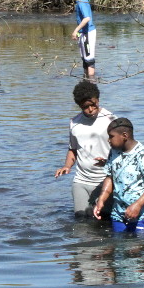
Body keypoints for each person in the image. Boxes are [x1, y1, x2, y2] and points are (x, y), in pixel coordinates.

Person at [54, 80, 116, 218]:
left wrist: (107, 161)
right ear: (79, 106)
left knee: (104, 222)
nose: (90, 109)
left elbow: (120, 151)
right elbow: (73, 149)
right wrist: (67, 166)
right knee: (81, 221)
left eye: (93, 105)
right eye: (85, 107)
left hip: (105, 181)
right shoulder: (74, 123)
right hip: (81, 181)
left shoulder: (111, 120)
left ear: (98, 100)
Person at [93, 118, 144, 233]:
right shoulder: (114, 152)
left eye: (111, 136)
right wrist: (102, 199)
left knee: (139, 247)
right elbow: (110, 177)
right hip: (119, 213)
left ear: (124, 135)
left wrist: (138, 205)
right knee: (120, 247)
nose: (108, 140)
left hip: (143, 215)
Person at [68, 0, 96, 79]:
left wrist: (75, 30)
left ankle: (92, 82)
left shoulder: (82, 1)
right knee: (84, 59)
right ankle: (86, 80)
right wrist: (79, 32)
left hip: (88, 33)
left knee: (89, 59)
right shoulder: (80, 0)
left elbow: (87, 18)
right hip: (83, 33)